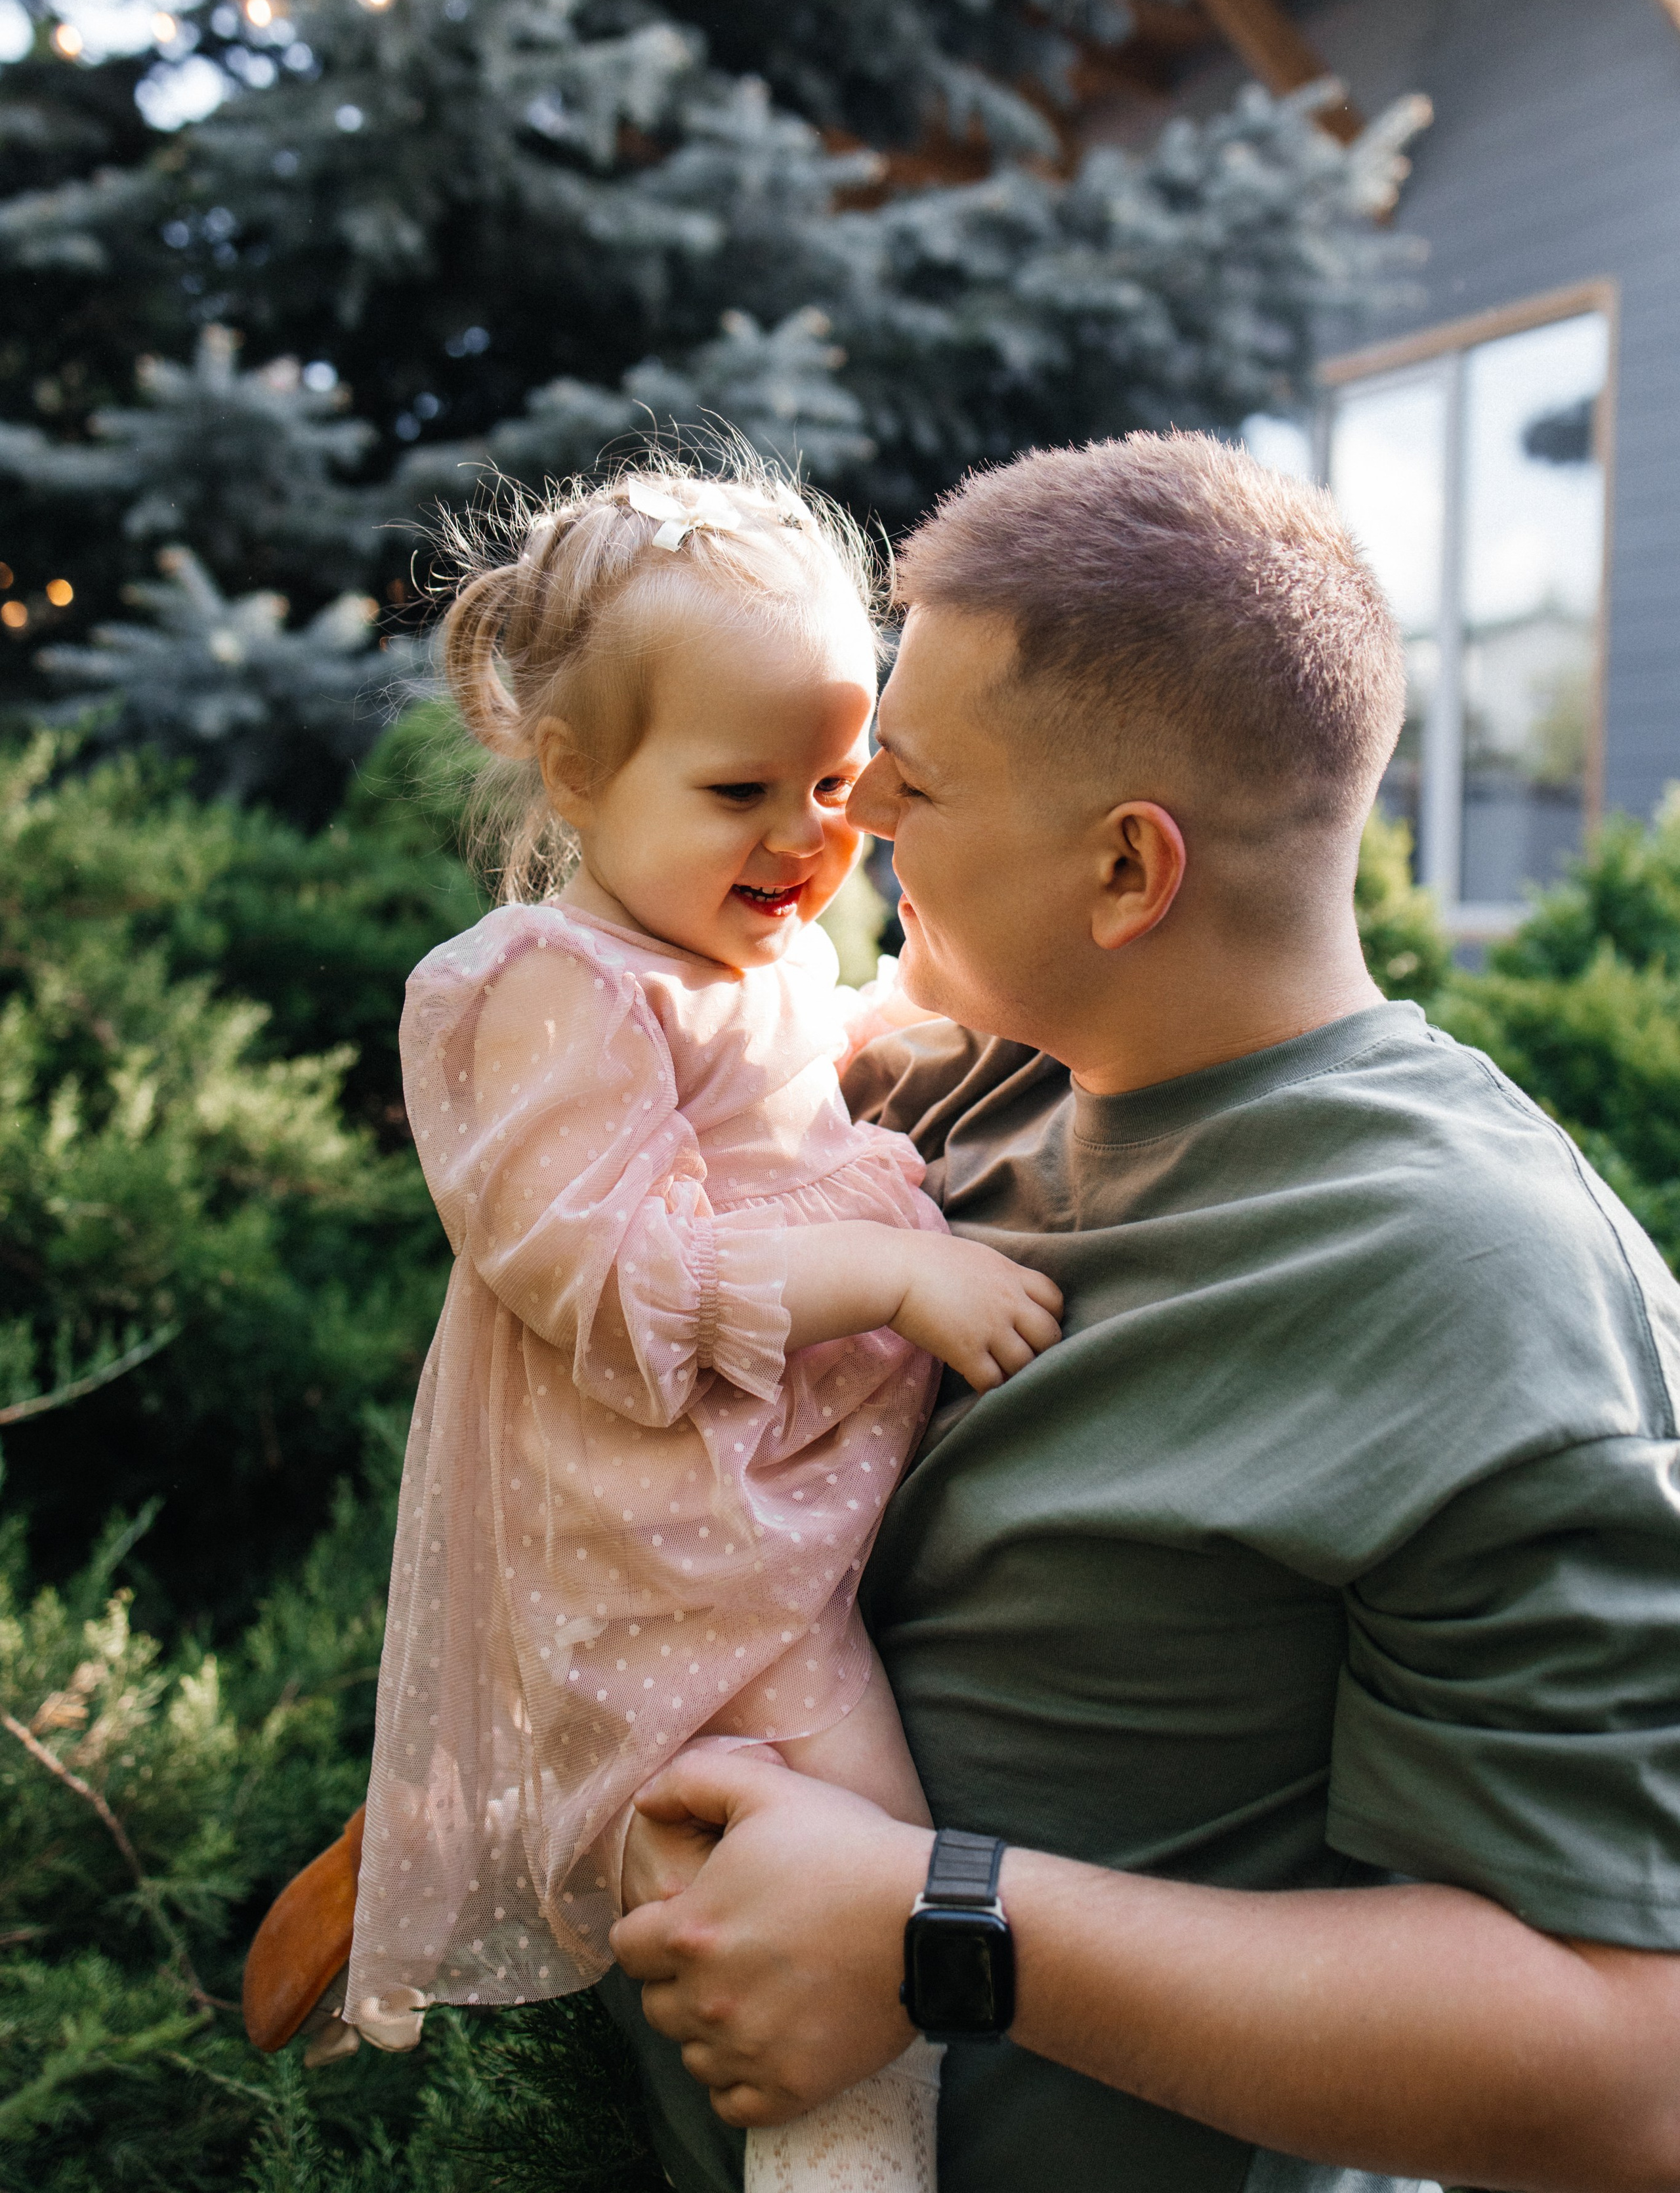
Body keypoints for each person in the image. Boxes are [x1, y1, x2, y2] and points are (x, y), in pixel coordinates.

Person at [606, 431, 1680, 2193]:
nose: (854, 811)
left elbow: (1634, 2068)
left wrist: (941, 1933)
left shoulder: (1485, 1288)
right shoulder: (967, 1092)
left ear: (1128, 871)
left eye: (916, 782)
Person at [330, 460, 1062, 2192]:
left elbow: (814, 1097)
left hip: (763, 1518)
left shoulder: (751, 962)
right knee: (845, 1877)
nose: (810, 836)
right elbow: (614, 1271)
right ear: (576, 774)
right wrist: (891, 1276)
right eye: (744, 787)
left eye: (834, 779)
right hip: (671, 1557)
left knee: (842, 1871)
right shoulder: (544, 990)